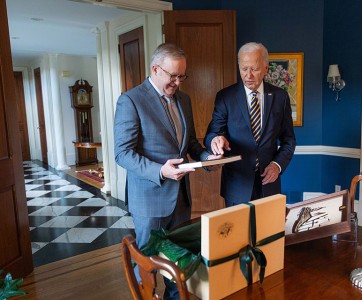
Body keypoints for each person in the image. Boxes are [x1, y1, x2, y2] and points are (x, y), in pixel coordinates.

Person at [114, 43, 219, 299]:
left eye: (182, 76)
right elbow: (122, 153)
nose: (178, 82)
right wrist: (160, 171)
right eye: (173, 75)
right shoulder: (131, 100)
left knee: (177, 264)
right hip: (150, 200)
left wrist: (207, 156)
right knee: (148, 266)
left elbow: (190, 142)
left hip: (181, 199)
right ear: (155, 69)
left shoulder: (184, 100)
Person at [205, 42, 296, 206]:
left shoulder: (280, 97)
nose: (248, 75)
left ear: (266, 68)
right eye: (244, 69)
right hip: (236, 184)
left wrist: (277, 165)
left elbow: (289, 140)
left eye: (254, 69)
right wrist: (215, 140)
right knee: (238, 232)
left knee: (269, 232)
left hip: (269, 184)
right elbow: (212, 133)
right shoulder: (225, 97)